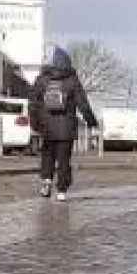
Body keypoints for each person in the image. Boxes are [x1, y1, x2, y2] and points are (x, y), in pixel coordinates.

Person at [30, 45, 100, 201]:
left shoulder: (42, 79)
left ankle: (46, 181)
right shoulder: (72, 80)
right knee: (63, 159)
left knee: (47, 156)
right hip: (66, 128)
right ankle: (61, 191)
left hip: (47, 127)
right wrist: (92, 122)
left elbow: (33, 104)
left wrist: (35, 124)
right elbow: (83, 104)